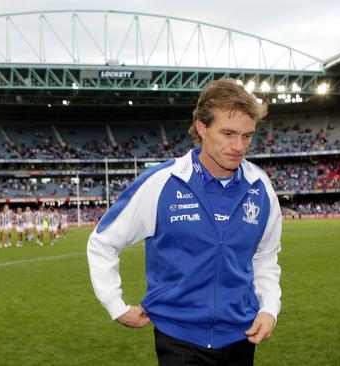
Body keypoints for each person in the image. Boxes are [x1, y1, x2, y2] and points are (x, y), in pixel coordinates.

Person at [87, 78, 282, 366]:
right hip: (179, 339)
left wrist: (269, 308)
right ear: (202, 128)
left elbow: (265, 257)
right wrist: (115, 304)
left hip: (241, 336)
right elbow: (103, 241)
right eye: (228, 133)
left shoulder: (260, 186)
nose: (239, 146)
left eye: (247, 135)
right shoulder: (162, 183)